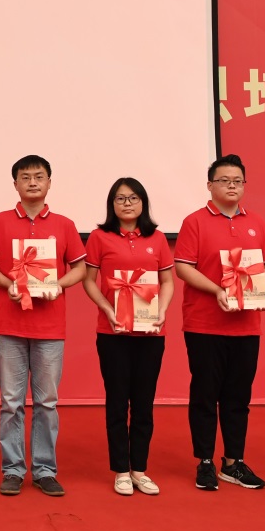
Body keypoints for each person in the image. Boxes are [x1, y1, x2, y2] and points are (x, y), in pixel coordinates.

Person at [0, 155, 85, 497]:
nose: (33, 182)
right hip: (10, 324)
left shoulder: (65, 225)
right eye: (26, 177)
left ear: (49, 182)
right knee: (11, 401)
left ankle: (44, 470)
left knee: (47, 402)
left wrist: (59, 285)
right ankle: (12, 469)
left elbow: (80, 268)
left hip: (50, 327)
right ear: (16, 184)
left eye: (39, 176)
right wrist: (7, 283)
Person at [174, 153, 265, 491]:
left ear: (244, 185)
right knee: (205, 394)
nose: (231, 186)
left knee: (238, 396)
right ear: (210, 185)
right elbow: (183, 267)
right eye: (224, 181)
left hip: (246, 325)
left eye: (237, 181)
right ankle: (204, 460)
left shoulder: (257, 222)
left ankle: (234, 462)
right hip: (204, 324)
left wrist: (260, 290)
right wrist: (218, 290)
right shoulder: (194, 221)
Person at [82, 178, 174, 496]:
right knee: (118, 402)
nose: (127, 204)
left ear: (143, 202)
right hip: (114, 332)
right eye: (120, 198)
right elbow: (89, 280)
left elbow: (167, 281)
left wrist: (162, 310)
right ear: (112, 204)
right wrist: (107, 308)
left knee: (144, 403)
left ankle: (140, 469)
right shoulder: (99, 237)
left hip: (150, 332)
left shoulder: (157, 238)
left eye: (133, 198)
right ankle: (121, 470)